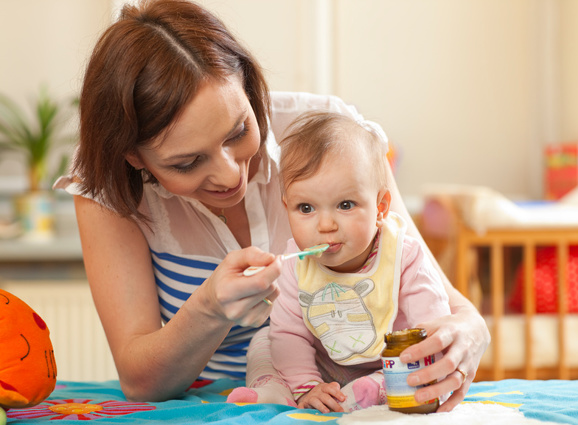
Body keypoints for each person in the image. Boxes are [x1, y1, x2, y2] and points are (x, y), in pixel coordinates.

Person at [54, 0, 489, 411]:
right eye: (187, 162)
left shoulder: (335, 138)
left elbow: (441, 297)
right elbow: (140, 382)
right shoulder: (106, 184)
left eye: (238, 130)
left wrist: (471, 331)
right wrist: (208, 309)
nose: (229, 175)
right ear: (134, 158)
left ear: (246, 85)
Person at [228, 111, 452, 413]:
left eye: (345, 205)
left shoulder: (404, 255)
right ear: (287, 208)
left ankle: (372, 391)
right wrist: (307, 385)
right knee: (265, 342)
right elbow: (290, 334)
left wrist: (414, 362)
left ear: (381, 208)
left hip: (385, 365)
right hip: (320, 366)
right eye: (305, 208)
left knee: (417, 360)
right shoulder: (295, 266)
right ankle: (276, 390)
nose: (325, 225)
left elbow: (431, 328)